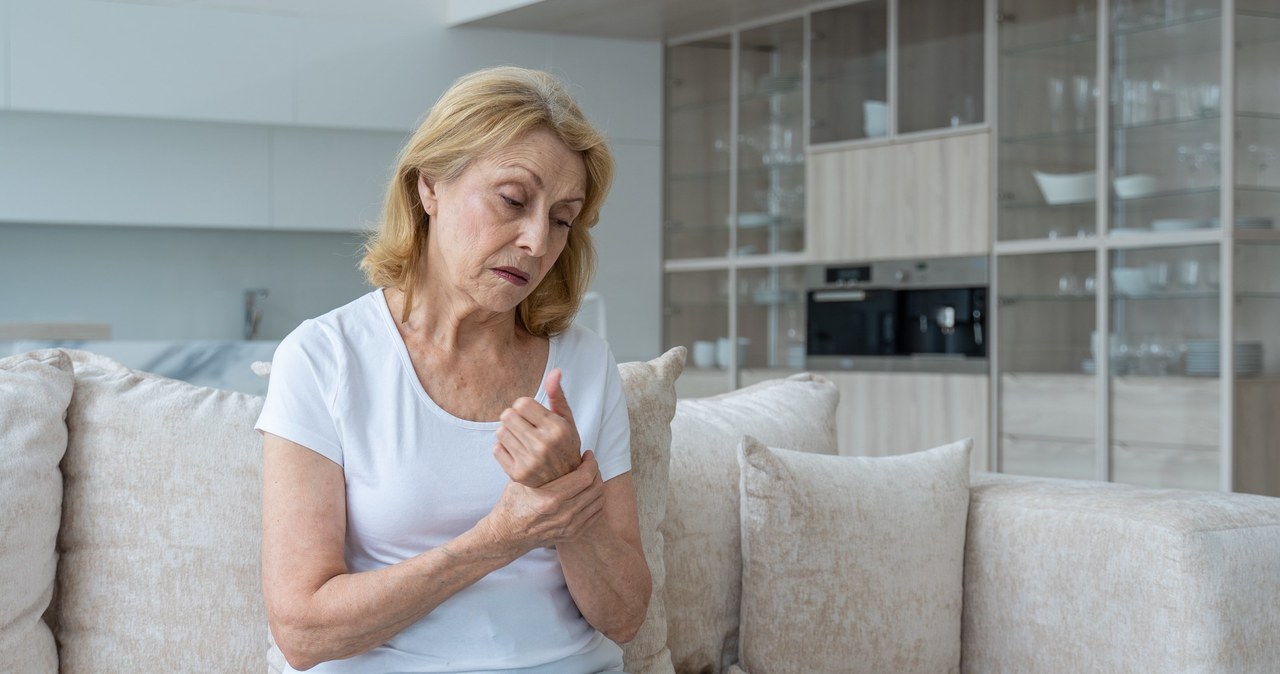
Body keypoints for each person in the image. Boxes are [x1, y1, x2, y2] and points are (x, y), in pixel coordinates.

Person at [256, 66, 650, 674]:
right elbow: (303, 633)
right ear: (430, 187)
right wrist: (501, 537)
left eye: (563, 218)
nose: (537, 240)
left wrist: (564, 493)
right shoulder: (325, 357)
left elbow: (624, 618)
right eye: (513, 200)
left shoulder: (584, 365)